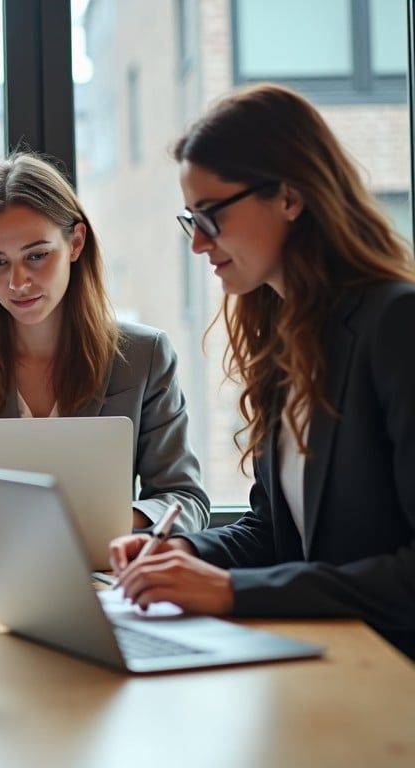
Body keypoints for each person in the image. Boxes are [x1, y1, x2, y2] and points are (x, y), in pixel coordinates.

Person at [109, 83, 415, 661]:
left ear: (291, 197)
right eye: (189, 219)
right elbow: (273, 535)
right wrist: (179, 554)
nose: (198, 242)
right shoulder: (287, 338)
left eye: (211, 215)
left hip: (390, 677)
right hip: (320, 666)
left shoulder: (396, 324)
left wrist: (226, 591)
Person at [0, 152, 210, 544]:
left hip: (101, 583)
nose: (18, 282)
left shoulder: (143, 356)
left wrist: (106, 523)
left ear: (76, 243)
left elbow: (184, 500)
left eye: (36, 256)